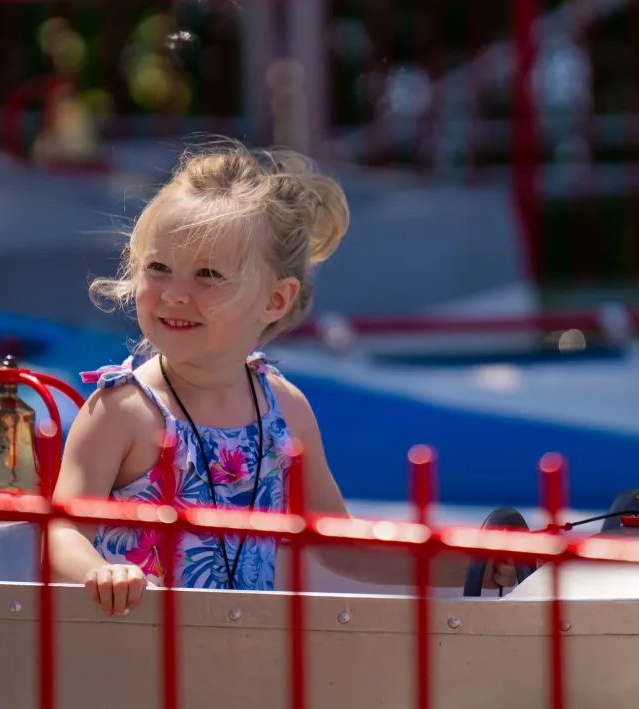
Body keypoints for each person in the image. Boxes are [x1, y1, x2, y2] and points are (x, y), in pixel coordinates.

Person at [49, 139, 515, 615]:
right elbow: (62, 529)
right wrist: (97, 569)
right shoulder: (121, 412)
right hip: (137, 663)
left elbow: (338, 543)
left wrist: (468, 566)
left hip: (246, 662)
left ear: (275, 300)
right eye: (158, 268)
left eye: (208, 274)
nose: (174, 293)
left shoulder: (283, 411)